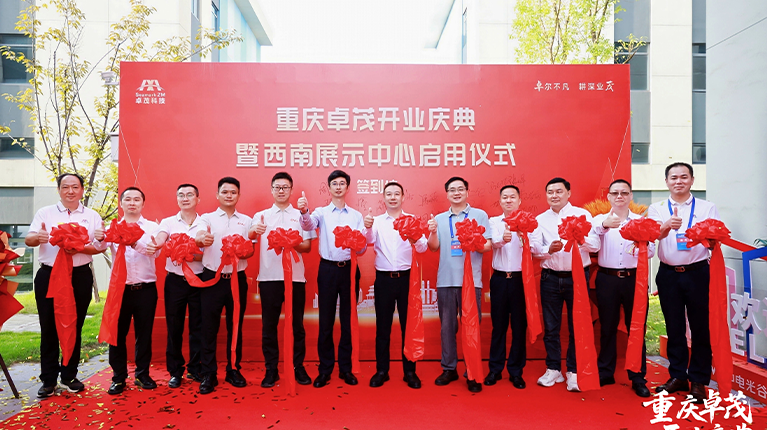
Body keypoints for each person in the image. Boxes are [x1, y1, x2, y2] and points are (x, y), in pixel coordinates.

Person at [26, 173, 107, 397]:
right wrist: (40, 237)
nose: (70, 191)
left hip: (79, 276)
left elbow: (100, 247)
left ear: (82, 190)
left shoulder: (92, 216)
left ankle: (69, 376)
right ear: (59, 190)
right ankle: (48, 380)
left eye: (75, 187)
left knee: (75, 325)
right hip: (49, 275)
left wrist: (79, 247)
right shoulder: (45, 213)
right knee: (49, 327)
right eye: (65, 187)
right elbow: (29, 240)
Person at [648, 162, 719, 403]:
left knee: (700, 326)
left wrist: (704, 237)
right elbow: (651, 236)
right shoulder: (657, 208)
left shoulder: (707, 207)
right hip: (668, 274)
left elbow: (715, 239)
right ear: (666, 182)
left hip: (698, 272)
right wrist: (666, 227)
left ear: (692, 180)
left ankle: (698, 380)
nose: (679, 181)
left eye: (684, 177)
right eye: (674, 177)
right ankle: (678, 375)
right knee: (674, 326)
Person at [298, 170, 366, 388]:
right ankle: (325, 369)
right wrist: (304, 212)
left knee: (348, 320)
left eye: (342, 183)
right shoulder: (321, 212)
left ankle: (346, 368)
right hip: (327, 269)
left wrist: (358, 241)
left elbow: (362, 247)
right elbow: (308, 225)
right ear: (329, 188)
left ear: (347, 187)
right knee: (325, 321)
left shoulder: (356, 216)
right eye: (334, 183)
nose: (338, 187)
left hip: (349, 270)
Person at [531, 177, 600, 392]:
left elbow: (595, 245)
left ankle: (573, 370)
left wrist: (581, 240)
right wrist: (548, 250)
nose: (554, 195)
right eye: (550, 192)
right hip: (550, 278)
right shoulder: (540, 219)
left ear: (568, 193)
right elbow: (535, 249)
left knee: (576, 325)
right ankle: (553, 368)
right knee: (551, 327)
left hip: (577, 278)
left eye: (559, 191)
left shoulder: (582, 215)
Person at [250, 172, 316, 388]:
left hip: (295, 279)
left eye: (285, 187)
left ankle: (298, 366)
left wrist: (290, 242)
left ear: (291, 190)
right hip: (269, 278)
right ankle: (271, 369)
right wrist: (254, 231)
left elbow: (307, 247)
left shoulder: (301, 216)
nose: (281, 191)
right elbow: (250, 236)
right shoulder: (261, 216)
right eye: (277, 187)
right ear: (271, 190)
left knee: (297, 325)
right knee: (269, 326)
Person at [427, 176, 491, 393]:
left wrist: (473, 241)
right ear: (447, 194)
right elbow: (433, 247)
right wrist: (433, 231)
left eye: (460, 189)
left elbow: (487, 245)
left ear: (467, 192)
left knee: (471, 328)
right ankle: (449, 368)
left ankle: (472, 371)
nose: (456, 193)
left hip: (471, 281)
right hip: (446, 280)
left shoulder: (479, 215)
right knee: (447, 328)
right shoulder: (439, 218)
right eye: (452, 190)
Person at [591, 179, 655, 398]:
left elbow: (652, 251)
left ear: (630, 196)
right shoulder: (599, 220)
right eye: (615, 193)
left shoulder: (641, 221)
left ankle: (638, 377)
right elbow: (590, 243)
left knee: (636, 327)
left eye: (624, 193)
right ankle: (605, 372)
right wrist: (604, 226)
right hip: (607, 278)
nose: (619, 196)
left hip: (634, 279)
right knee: (607, 327)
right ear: (608, 196)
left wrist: (640, 244)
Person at [363, 182, 427, 389]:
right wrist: (367, 226)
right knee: (383, 327)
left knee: (409, 327)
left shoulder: (412, 220)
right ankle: (382, 370)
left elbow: (423, 247)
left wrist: (415, 237)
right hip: (383, 279)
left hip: (407, 279)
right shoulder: (377, 221)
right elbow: (367, 242)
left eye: (396, 194)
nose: (393, 197)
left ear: (403, 197)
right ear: (383, 198)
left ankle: (410, 371)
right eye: (389, 194)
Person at [195, 177, 254, 394]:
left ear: (239, 195)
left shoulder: (246, 221)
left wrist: (242, 251)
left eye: (233, 192)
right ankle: (208, 373)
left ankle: (233, 369)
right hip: (212, 278)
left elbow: (251, 251)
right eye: (225, 192)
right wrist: (202, 240)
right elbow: (198, 237)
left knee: (235, 325)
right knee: (208, 327)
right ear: (217, 195)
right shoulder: (207, 218)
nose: (229, 195)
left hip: (237, 279)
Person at [150, 184, 205, 389]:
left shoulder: (205, 222)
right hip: (175, 282)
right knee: (174, 327)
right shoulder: (168, 222)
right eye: (181, 195)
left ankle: (195, 368)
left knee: (198, 327)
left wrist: (187, 254)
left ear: (198, 199)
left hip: (199, 280)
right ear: (177, 199)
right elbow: (161, 238)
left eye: (189, 195)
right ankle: (175, 371)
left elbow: (208, 254)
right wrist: (158, 244)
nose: (185, 198)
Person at [106, 187, 160, 395]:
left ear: (143, 204)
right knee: (117, 334)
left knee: (143, 334)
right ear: (121, 203)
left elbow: (154, 253)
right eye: (127, 199)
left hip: (145, 289)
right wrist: (100, 237)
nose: (132, 203)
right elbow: (98, 247)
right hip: (120, 289)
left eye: (137, 199)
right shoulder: (112, 227)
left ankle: (142, 374)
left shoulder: (152, 227)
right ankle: (118, 377)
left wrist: (133, 241)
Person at [484, 185, 527, 390]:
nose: (508, 200)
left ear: (519, 200)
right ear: (500, 201)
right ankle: (495, 369)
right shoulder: (493, 222)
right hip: (500, 279)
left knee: (519, 327)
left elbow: (537, 249)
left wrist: (526, 238)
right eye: (505, 197)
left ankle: (516, 371)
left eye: (512, 197)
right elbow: (492, 243)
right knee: (498, 326)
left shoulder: (528, 222)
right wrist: (503, 239)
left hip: (521, 280)